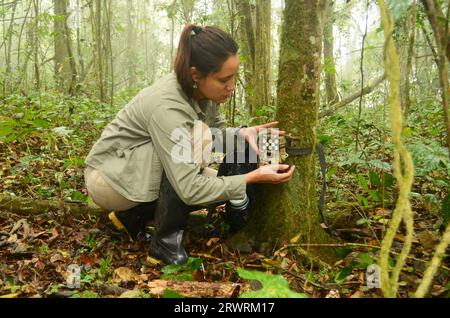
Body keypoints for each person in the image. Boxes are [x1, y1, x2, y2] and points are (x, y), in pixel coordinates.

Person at [84, 24, 295, 265]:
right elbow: (189, 185)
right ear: (196, 75)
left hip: (135, 172)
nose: (232, 86)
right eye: (224, 79)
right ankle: (165, 244)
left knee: (213, 180)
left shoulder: (204, 91)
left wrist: (240, 134)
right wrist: (251, 178)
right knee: (198, 147)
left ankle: (131, 215)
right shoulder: (168, 106)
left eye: (234, 76)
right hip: (109, 179)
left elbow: (217, 135)